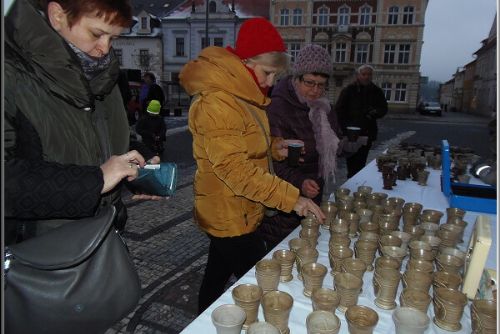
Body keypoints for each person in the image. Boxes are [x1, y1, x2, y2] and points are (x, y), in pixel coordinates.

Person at [179, 18, 326, 314]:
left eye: (275, 75)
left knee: (216, 274)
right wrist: (291, 199)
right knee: (265, 281)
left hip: (237, 209)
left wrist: (275, 147)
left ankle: (203, 322)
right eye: (268, 72)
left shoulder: (241, 94)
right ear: (245, 61)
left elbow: (242, 142)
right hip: (228, 211)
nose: (271, 82)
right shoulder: (219, 102)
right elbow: (235, 170)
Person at [4, 0, 162, 245]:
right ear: (58, 16)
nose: (104, 49)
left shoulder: (103, 73)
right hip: (39, 256)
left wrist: (136, 162)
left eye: (113, 39)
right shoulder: (10, 72)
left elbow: (102, 135)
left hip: (102, 239)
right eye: (97, 34)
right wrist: (96, 180)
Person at [255, 44, 350, 250]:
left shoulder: (324, 108)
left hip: (314, 189)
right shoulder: (278, 107)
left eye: (321, 85)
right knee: (284, 251)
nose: (315, 90)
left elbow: (333, 143)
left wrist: (345, 144)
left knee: (307, 248)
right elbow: (268, 161)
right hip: (285, 196)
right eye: (309, 83)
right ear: (296, 78)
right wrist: (300, 181)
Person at [335, 64, 388, 178]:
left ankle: (357, 185)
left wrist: (373, 113)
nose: (366, 77)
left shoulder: (376, 91)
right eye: (364, 74)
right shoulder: (349, 90)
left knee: (361, 164)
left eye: (369, 74)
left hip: (367, 133)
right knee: (351, 163)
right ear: (358, 75)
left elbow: (383, 109)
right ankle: (352, 183)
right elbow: (339, 111)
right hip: (351, 135)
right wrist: (344, 129)